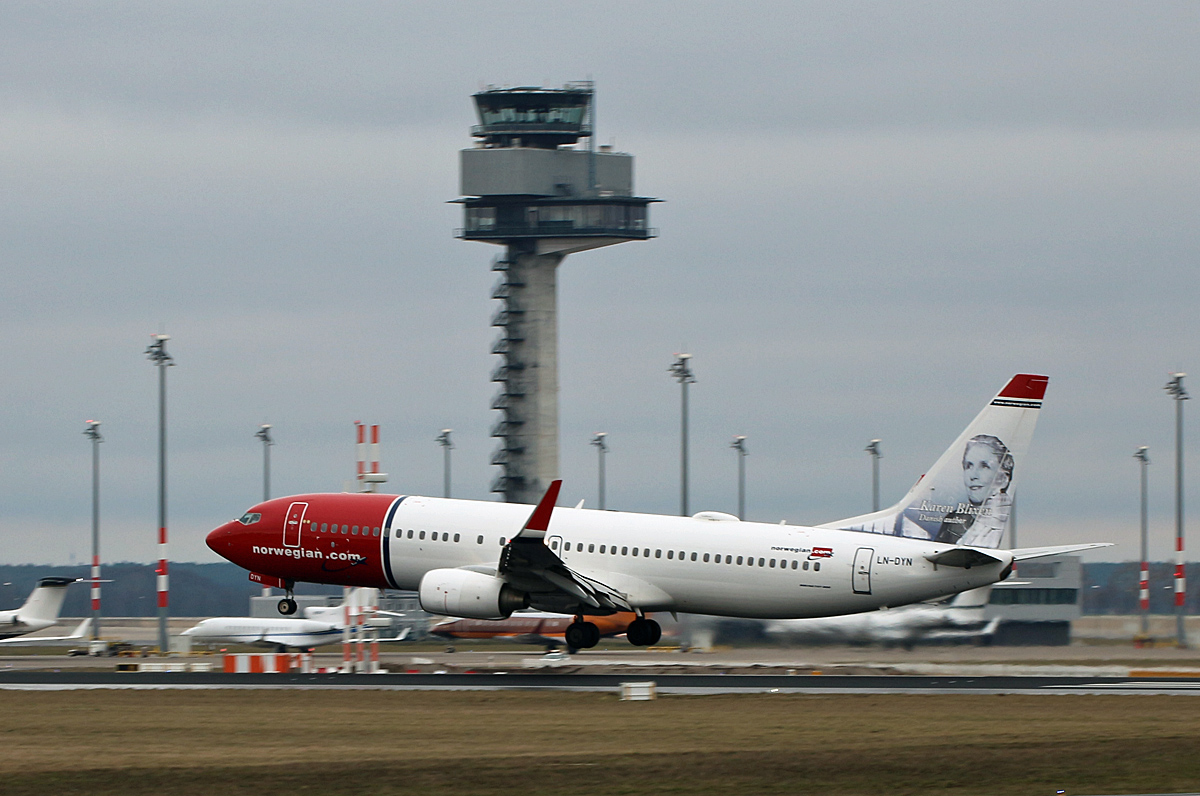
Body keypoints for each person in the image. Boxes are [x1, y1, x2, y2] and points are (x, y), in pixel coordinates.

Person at [934, 435, 1013, 547]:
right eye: (968, 466)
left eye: (984, 466)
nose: (973, 475)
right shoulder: (953, 520)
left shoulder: (1002, 526)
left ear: (1003, 479)